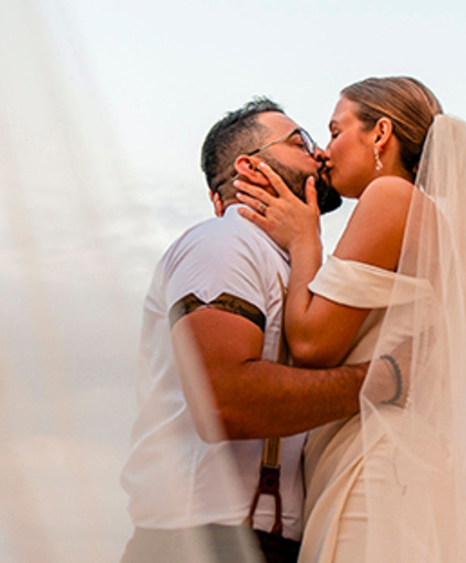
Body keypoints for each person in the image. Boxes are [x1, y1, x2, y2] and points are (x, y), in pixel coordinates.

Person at [119, 98, 399, 563]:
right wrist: (382, 381)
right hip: (200, 545)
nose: (320, 153)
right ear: (250, 167)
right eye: (300, 142)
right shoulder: (223, 243)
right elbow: (224, 402)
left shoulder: (297, 268)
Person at [235, 77, 466, 562]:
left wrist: (304, 241)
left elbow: (313, 345)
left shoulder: (391, 197)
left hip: (373, 461)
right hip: (399, 462)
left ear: (380, 133)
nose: (324, 153)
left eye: (335, 132)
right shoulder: (432, 221)